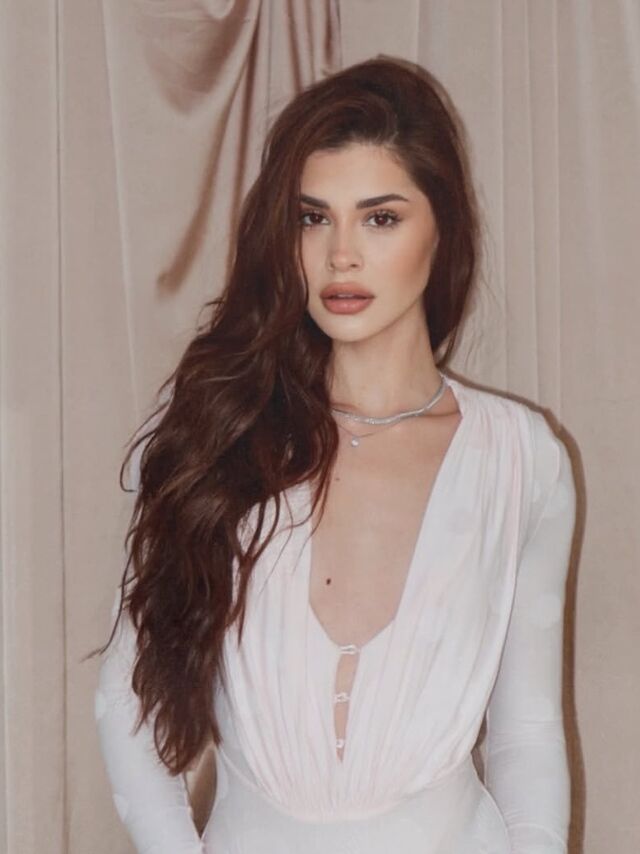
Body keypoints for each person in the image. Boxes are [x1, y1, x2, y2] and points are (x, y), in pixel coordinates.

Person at [92, 55, 577, 853]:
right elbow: (128, 699)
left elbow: (526, 736)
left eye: (380, 219)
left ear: (443, 229)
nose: (340, 255)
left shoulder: (523, 462)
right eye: (312, 218)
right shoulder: (220, 430)